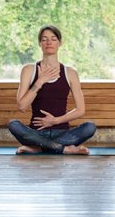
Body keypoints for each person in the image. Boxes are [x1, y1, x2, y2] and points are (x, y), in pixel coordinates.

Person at [8, 25, 96, 155]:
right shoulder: (29, 70)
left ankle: (38, 147)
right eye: (44, 39)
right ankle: (63, 149)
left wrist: (55, 121)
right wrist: (40, 81)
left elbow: (80, 109)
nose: (49, 42)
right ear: (39, 43)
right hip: (36, 132)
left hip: (62, 133)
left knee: (90, 127)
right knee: (13, 124)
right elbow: (22, 106)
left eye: (53, 39)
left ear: (60, 43)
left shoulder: (70, 72)